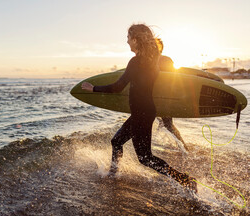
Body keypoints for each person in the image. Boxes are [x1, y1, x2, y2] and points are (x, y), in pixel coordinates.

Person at [81, 24, 197, 192]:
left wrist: (93, 88)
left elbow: (118, 87)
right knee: (117, 141)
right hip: (143, 112)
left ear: (135, 39)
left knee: (145, 158)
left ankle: (185, 180)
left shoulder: (136, 62)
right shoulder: (151, 59)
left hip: (142, 113)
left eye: (128, 38)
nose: (127, 41)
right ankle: (113, 173)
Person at [155, 38, 189, 152]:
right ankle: (181, 147)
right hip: (154, 98)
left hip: (164, 99)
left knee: (168, 125)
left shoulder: (165, 60)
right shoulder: (149, 61)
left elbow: (174, 78)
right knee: (166, 124)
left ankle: (183, 148)